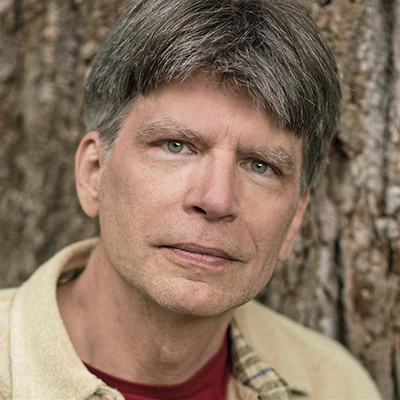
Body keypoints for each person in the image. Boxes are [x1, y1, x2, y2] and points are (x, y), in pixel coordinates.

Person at [0, 0, 382, 399]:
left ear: (296, 217)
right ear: (94, 173)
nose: (216, 199)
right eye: (176, 145)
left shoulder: (337, 385)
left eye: (261, 166)